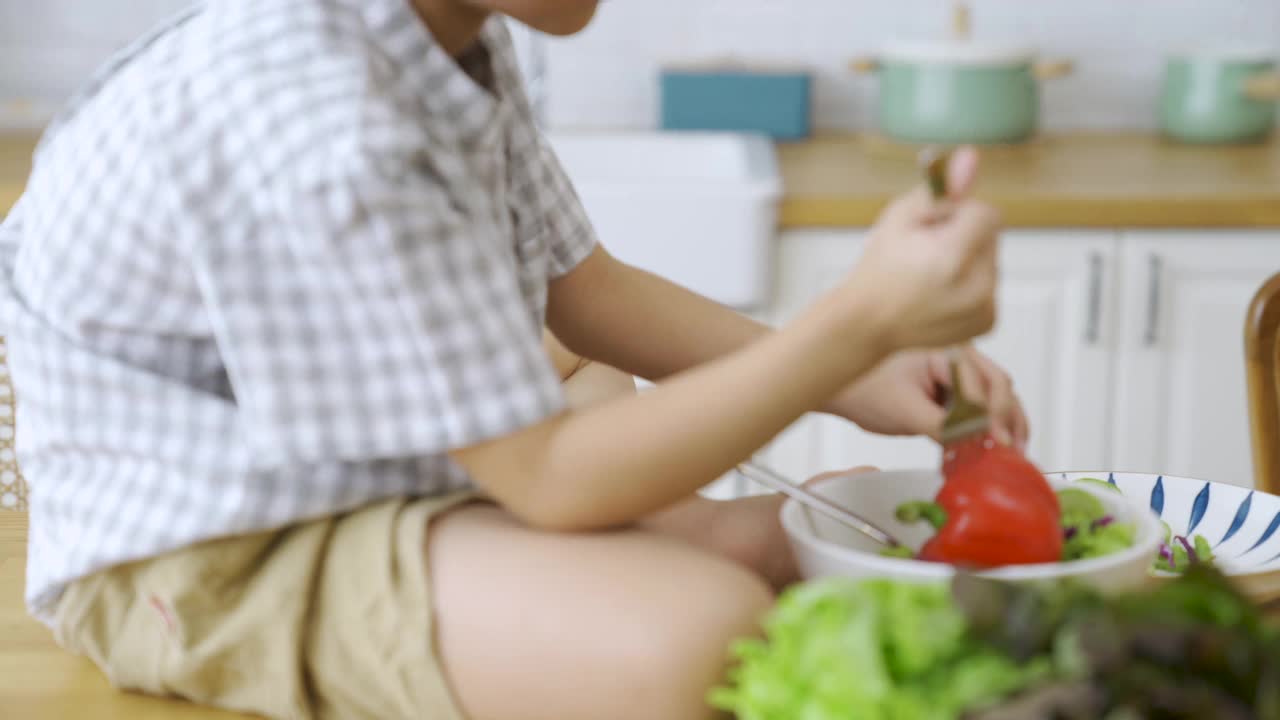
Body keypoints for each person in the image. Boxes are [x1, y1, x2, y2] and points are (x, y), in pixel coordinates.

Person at [0, 0, 1026, 718]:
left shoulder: (447, 40)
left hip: (335, 461)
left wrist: (855, 377)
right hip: (206, 553)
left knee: (616, 402)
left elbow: (587, 294)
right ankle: (715, 549)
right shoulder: (320, 113)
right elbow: (547, 482)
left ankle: (722, 537)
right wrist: (853, 325)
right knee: (700, 632)